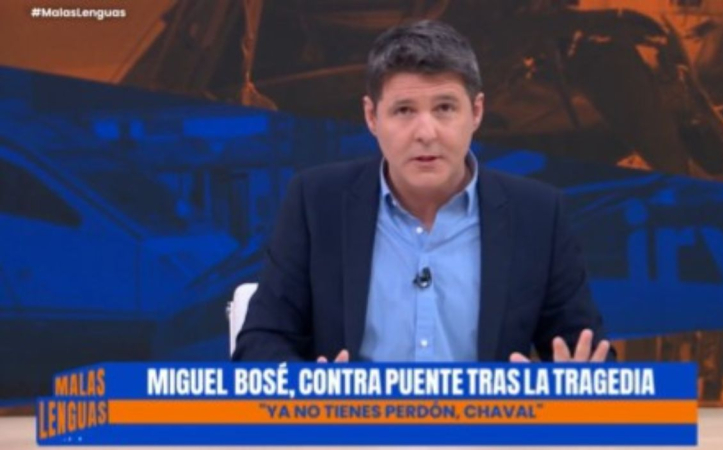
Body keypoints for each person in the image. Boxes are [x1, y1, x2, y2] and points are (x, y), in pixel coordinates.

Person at [233, 19, 614, 363]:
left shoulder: (538, 213)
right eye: (404, 110)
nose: (426, 133)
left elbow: (588, 353)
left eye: (445, 108)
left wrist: (576, 388)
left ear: (476, 112)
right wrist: (311, 391)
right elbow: (260, 343)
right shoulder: (317, 201)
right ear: (371, 117)